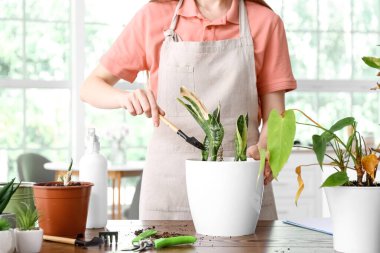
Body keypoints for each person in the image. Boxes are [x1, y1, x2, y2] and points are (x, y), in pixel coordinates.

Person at [80, 0, 297, 220]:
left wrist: (264, 149)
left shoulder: (265, 22)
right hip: (170, 189)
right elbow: (90, 87)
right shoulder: (153, 17)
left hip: (242, 186)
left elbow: (276, 117)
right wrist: (125, 97)